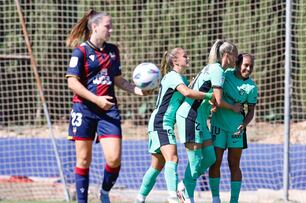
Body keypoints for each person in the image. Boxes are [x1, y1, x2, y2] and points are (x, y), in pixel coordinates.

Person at [65, 9, 149, 203]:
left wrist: (138, 90)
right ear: (95, 27)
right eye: (107, 26)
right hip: (84, 110)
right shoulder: (81, 51)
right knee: (83, 160)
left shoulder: (113, 51)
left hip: (108, 111)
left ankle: (104, 192)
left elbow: (118, 80)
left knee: (114, 159)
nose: (111, 30)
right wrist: (96, 100)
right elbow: (72, 83)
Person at [134, 48, 213, 203]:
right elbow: (188, 94)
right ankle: (173, 198)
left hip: (163, 124)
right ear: (175, 61)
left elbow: (187, 101)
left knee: (156, 166)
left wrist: (208, 102)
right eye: (185, 56)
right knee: (173, 159)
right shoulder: (172, 76)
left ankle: (139, 199)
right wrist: (211, 95)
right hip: (161, 123)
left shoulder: (181, 79)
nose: (188, 57)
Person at [176, 40, 242, 203]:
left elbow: (209, 96)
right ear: (227, 55)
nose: (237, 59)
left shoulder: (214, 68)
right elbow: (218, 100)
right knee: (196, 161)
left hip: (200, 118)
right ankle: (186, 196)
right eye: (235, 55)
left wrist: (210, 104)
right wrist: (233, 107)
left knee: (211, 158)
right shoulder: (217, 70)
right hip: (190, 116)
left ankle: (184, 184)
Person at [208, 53, 258, 203]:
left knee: (234, 165)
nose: (248, 68)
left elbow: (251, 112)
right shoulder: (225, 74)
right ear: (238, 64)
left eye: (251, 66)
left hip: (236, 129)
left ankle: (234, 200)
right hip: (218, 126)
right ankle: (215, 199)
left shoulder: (251, 87)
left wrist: (244, 124)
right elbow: (214, 93)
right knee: (215, 162)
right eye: (245, 65)